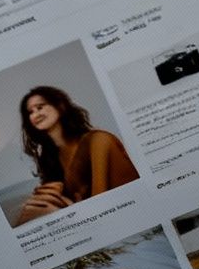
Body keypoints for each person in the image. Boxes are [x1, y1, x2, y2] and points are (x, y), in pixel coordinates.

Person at [13, 86, 139, 225]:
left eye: (40, 107)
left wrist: (60, 212)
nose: (35, 114)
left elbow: (102, 208)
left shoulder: (99, 141)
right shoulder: (53, 160)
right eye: (30, 112)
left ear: (59, 106)